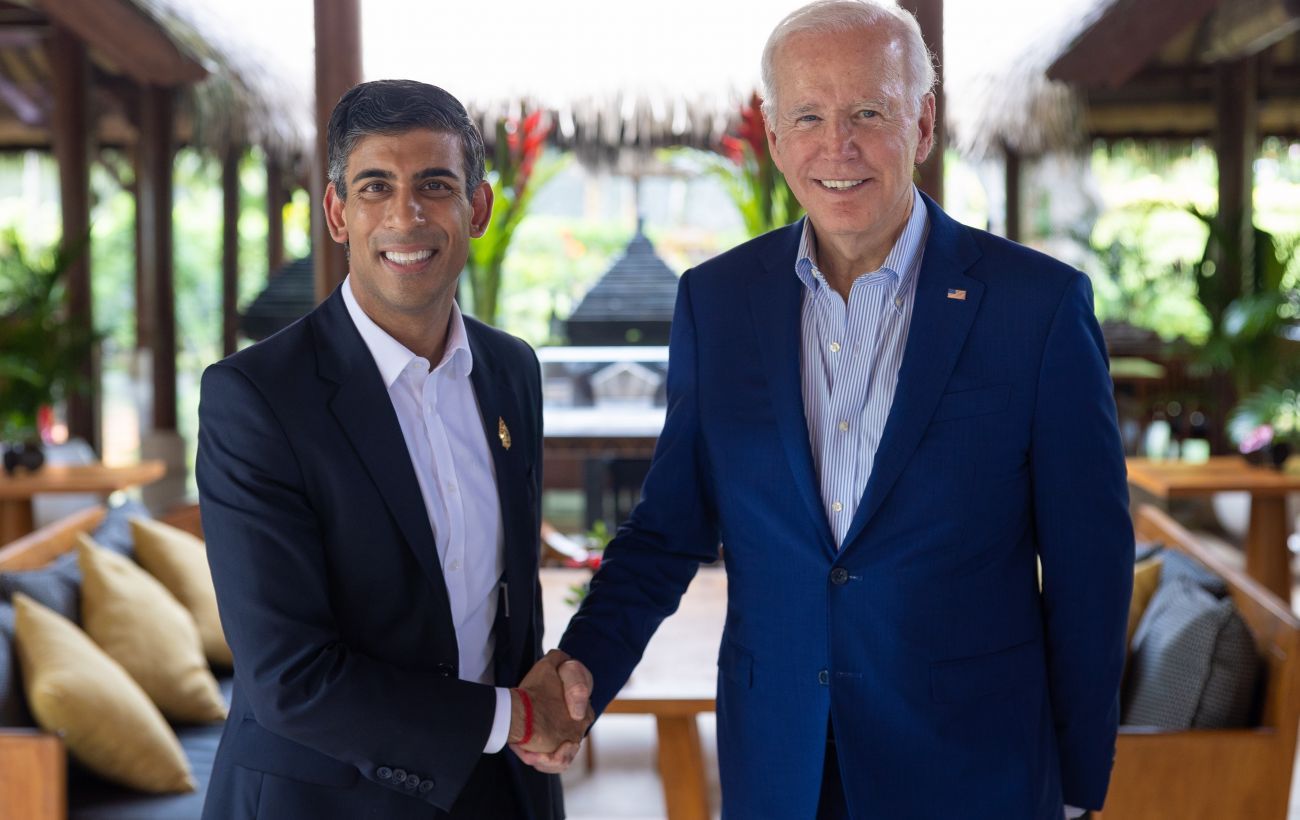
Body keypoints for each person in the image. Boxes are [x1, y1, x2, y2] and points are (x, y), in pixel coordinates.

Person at [554, 2, 1133, 818]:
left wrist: (1074, 787)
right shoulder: (717, 303)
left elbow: (1090, 569)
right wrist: (581, 664)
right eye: (809, 117)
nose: (838, 146)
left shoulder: (1037, 306)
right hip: (780, 765)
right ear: (773, 133)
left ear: (922, 124)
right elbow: (667, 530)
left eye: (868, 112)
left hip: (974, 769)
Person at [196, 79, 590, 820]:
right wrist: (513, 718)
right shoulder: (255, 398)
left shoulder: (511, 370)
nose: (406, 215)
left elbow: (512, 613)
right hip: (323, 803)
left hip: (501, 794)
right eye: (376, 186)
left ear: (477, 209)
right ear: (338, 213)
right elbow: (289, 677)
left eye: (435, 185)